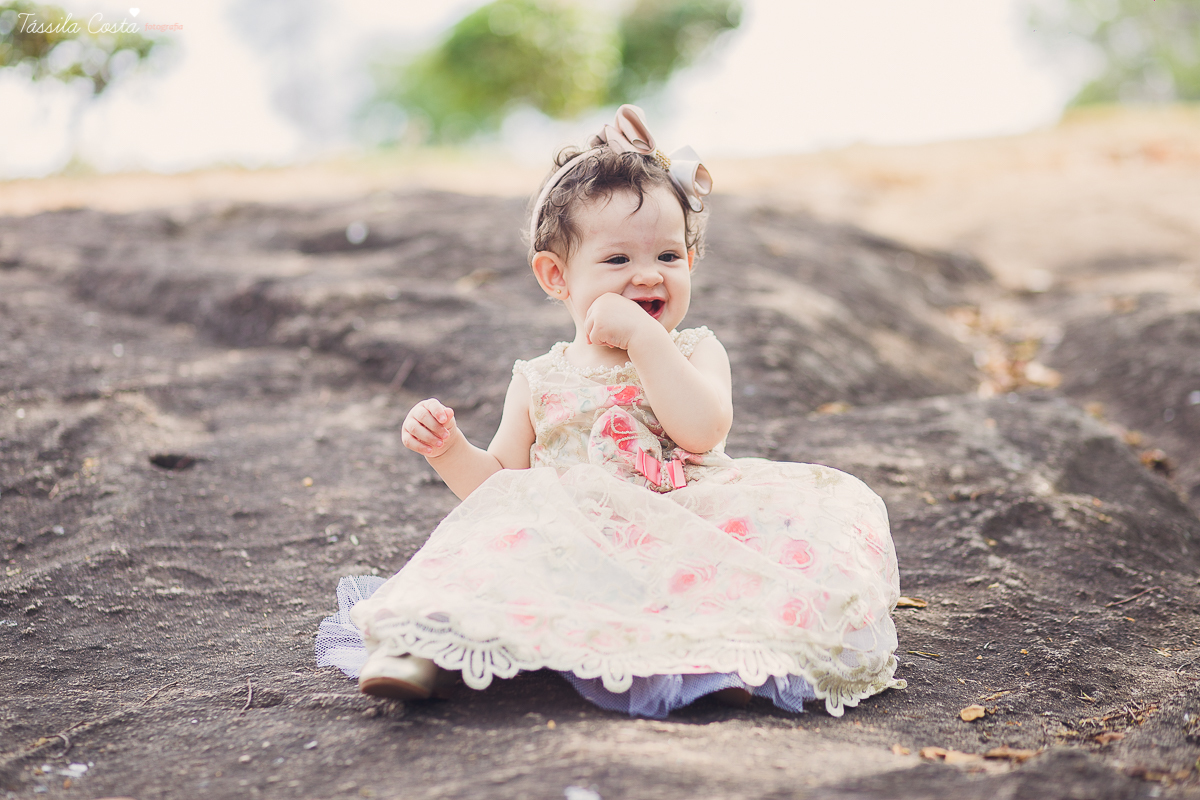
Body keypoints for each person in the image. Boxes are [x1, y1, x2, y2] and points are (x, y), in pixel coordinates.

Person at [316, 105, 905, 718]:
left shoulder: (694, 349)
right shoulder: (539, 379)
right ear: (555, 276)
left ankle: (725, 663)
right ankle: (417, 648)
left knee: (789, 537)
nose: (646, 276)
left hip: (685, 526)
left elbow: (702, 432)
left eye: (668, 258)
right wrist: (449, 451)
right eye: (617, 261)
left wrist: (645, 341)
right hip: (573, 545)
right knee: (486, 552)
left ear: (691, 261)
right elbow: (500, 492)